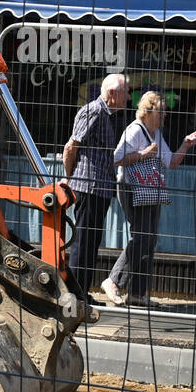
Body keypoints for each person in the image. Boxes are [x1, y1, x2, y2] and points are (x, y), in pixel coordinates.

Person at [104, 90, 196, 308]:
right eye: (161, 112)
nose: (165, 116)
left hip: (150, 189)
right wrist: (143, 154)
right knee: (141, 237)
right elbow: (116, 158)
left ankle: (137, 293)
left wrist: (185, 144)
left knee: (149, 240)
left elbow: (171, 162)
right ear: (148, 112)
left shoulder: (156, 133)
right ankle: (113, 280)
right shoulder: (135, 130)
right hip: (132, 188)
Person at [61, 73, 128, 299]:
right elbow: (71, 146)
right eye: (125, 92)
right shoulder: (93, 111)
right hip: (88, 187)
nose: (128, 96)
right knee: (83, 242)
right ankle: (75, 294)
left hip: (100, 189)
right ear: (112, 93)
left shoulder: (106, 115)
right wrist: (70, 178)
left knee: (91, 243)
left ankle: (82, 292)